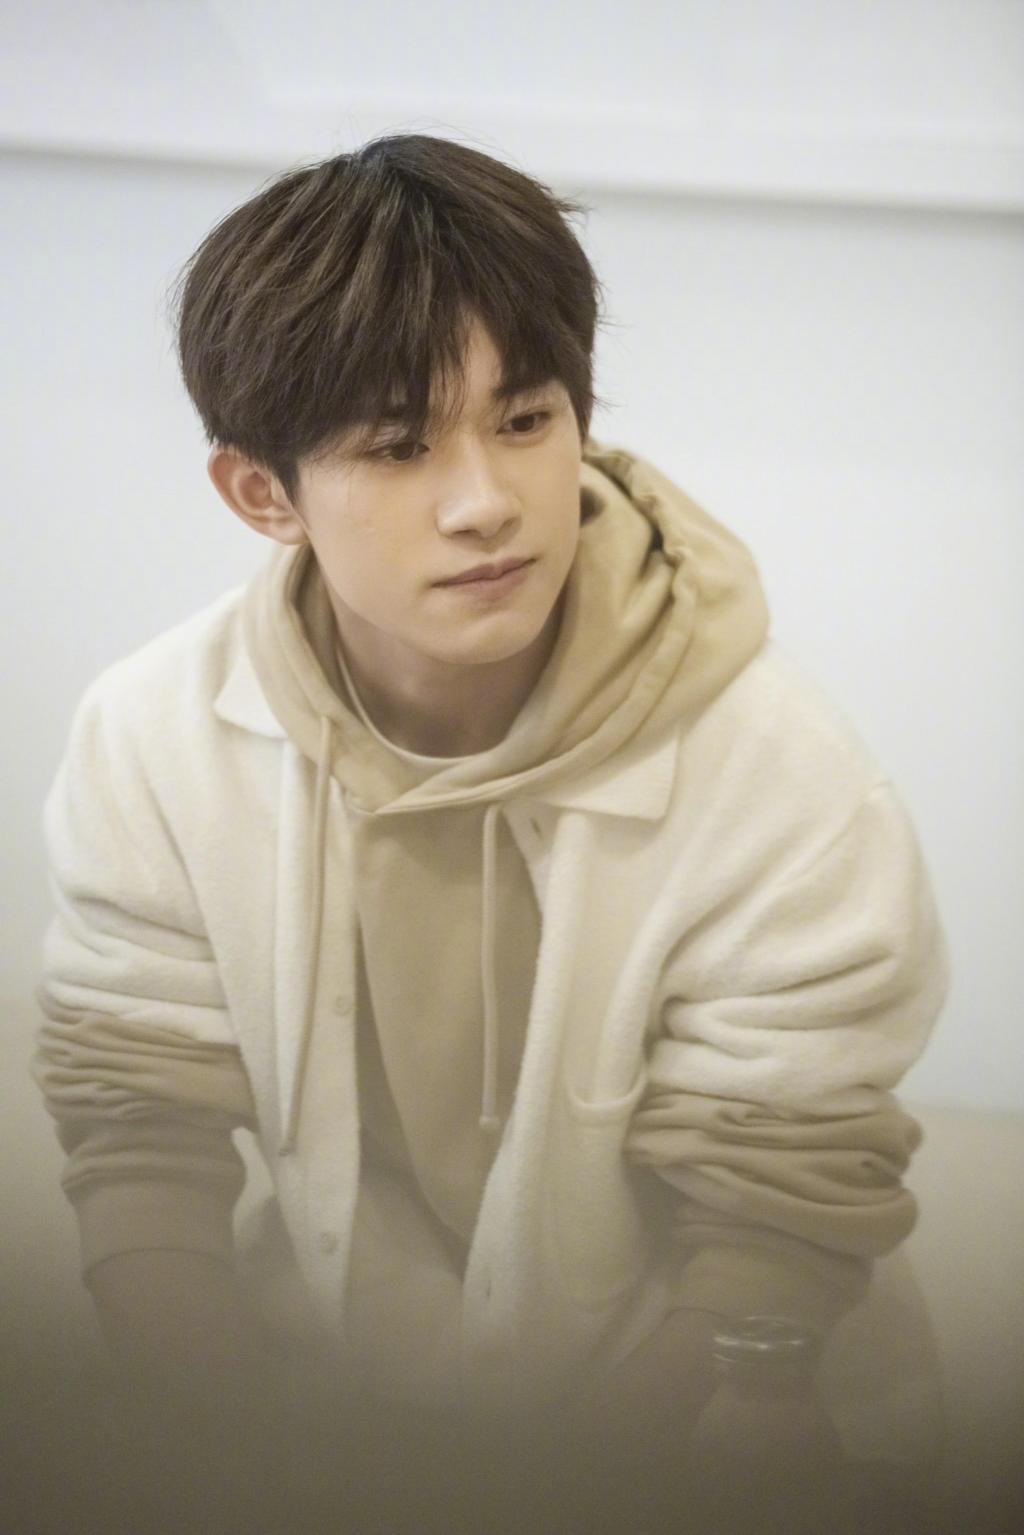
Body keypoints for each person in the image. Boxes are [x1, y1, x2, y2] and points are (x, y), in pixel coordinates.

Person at [33, 132, 951, 1527]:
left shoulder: (778, 767)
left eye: (524, 420)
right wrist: (232, 1452)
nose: (484, 504)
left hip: (724, 1425)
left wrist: (524, 1497)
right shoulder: (150, 736)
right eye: (399, 447)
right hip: (321, 1400)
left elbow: (773, 1203)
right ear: (263, 494)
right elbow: (138, 1130)